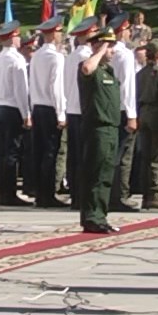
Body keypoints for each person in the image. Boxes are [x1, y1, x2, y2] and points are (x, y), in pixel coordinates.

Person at [75, 26, 121, 234]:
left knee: (106, 174)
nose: (112, 51)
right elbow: (86, 68)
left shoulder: (107, 71)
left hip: (111, 128)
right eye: (109, 46)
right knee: (95, 174)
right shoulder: (88, 68)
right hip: (97, 128)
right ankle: (92, 217)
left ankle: (100, 215)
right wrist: (100, 51)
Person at [27, 18, 67, 208]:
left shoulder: (37, 56)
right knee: (51, 152)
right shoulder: (56, 57)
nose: (61, 36)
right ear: (53, 34)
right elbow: (56, 87)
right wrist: (61, 113)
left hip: (38, 106)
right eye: (59, 32)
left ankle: (39, 192)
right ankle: (47, 193)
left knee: (39, 151)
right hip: (51, 107)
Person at [0, 22, 29, 206]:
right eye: (18, 36)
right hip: (12, 108)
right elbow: (21, 90)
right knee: (11, 153)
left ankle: (2, 190)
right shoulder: (17, 59)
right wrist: (26, 113)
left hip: (0, 108)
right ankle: (9, 193)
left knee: (2, 152)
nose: (19, 39)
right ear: (13, 38)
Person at [107, 15, 140, 209]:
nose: (129, 34)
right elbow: (126, 86)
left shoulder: (109, 53)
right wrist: (132, 115)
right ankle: (118, 196)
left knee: (112, 154)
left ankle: (112, 194)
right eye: (127, 30)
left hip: (109, 108)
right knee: (121, 156)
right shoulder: (125, 54)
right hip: (122, 109)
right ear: (121, 31)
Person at [136, 38, 158, 211]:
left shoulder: (140, 74)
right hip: (157, 115)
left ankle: (145, 192)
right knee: (157, 157)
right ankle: (154, 194)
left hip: (143, 114)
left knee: (146, 156)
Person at [62, 17, 96, 199]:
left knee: (73, 155)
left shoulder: (70, 56)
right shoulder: (86, 57)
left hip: (72, 108)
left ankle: (75, 192)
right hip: (83, 109)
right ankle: (82, 193)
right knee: (84, 155)